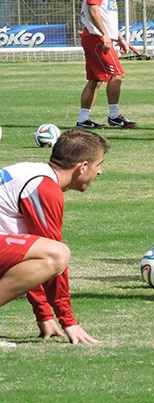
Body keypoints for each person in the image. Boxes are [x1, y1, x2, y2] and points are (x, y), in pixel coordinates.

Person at [0, 129, 107, 346]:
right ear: (83, 166)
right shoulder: (44, 187)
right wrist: (68, 319)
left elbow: (27, 261)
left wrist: (45, 316)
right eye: (98, 164)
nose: (100, 172)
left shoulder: (32, 173)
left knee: (49, 254)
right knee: (57, 254)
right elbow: (52, 260)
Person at [76, 0, 138, 130]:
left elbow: (105, 17)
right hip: (96, 38)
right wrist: (104, 35)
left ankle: (83, 120)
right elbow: (93, 9)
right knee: (117, 74)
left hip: (97, 36)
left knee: (96, 80)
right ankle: (115, 115)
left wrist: (119, 38)